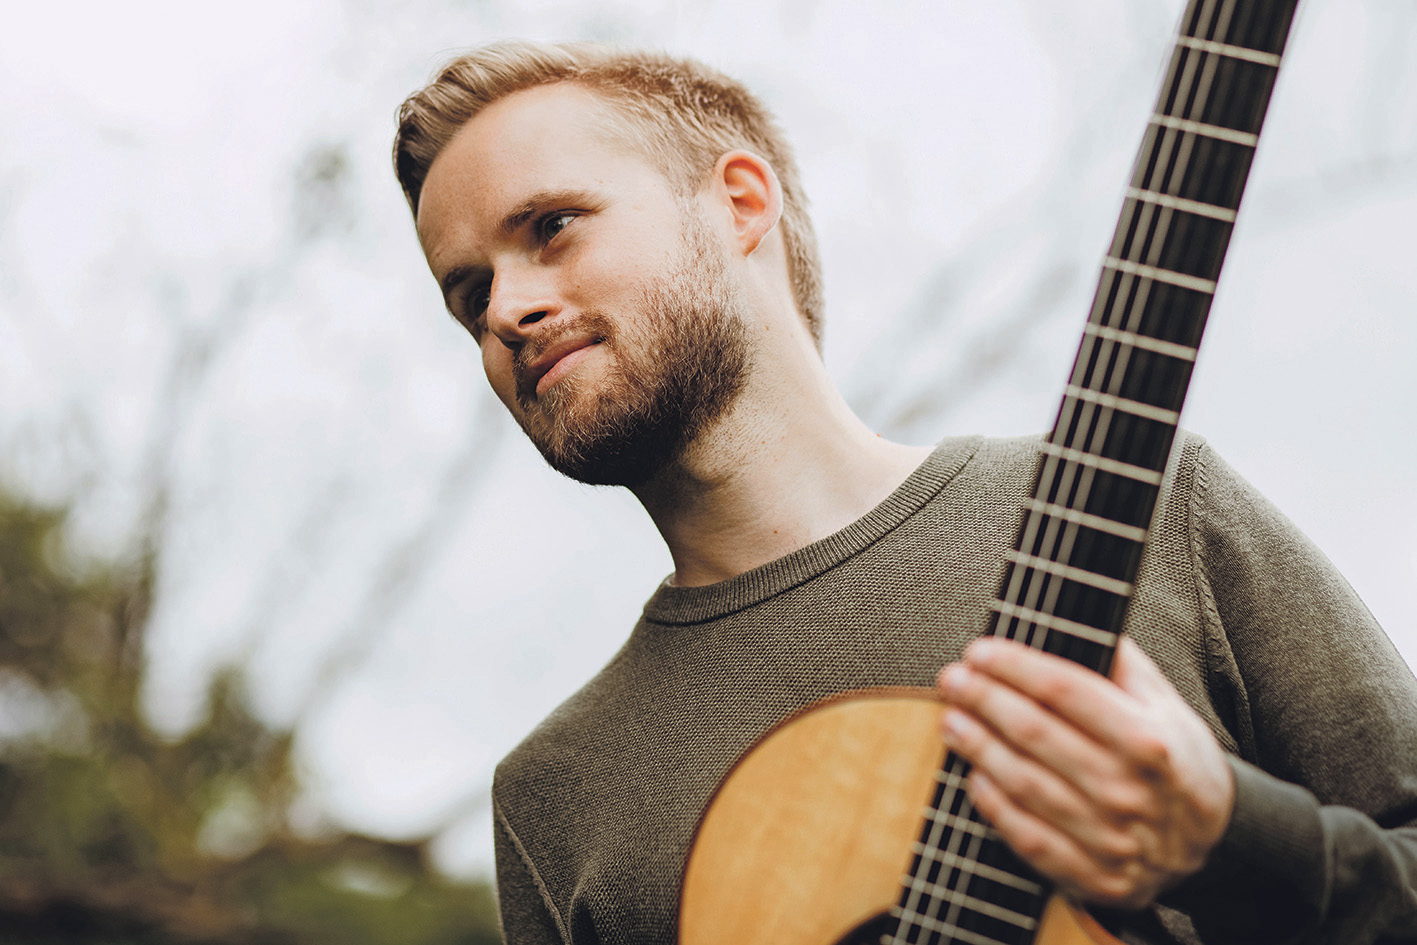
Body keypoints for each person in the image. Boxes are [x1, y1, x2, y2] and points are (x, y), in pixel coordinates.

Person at [393, 41, 1417, 945]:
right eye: (470, 293)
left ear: (741, 203)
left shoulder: (1147, 505)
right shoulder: (553, 799)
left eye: (553, 226)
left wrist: (1233, 847)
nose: (509, 310)